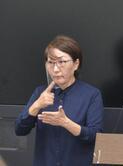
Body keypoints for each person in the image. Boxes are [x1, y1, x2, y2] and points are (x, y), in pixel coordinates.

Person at [15, 35, 104, 166]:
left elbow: (95, 136)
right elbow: (19, 130)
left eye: (61, 62)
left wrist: (66, 123)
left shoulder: (91, 94)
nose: (55, 69)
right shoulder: (40, 93)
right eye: (50, 63)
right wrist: (36, 106)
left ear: (76, 64)